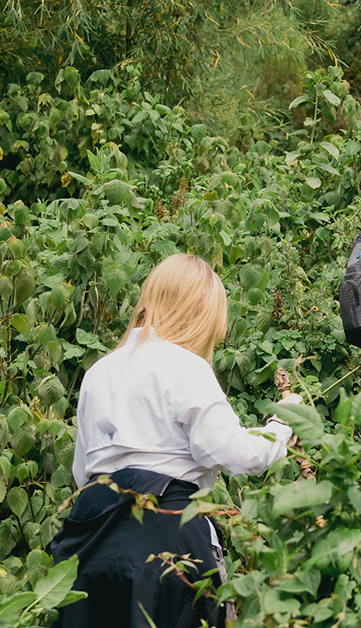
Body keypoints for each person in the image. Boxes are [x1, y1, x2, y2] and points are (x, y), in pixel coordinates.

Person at [50, 254, 299, 628]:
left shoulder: (98, 372)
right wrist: (286, 421)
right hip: (168, 547)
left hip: (93, 548)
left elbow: (82, 474)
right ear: (199, 312)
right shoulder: (185, 367)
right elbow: (242, 454)